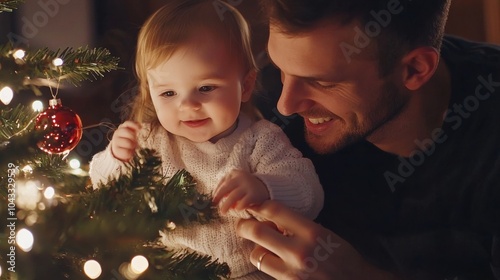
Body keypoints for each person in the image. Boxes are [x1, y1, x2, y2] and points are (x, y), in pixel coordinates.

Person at [238, 0, 500, 279]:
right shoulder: (262, 100)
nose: (285, 105)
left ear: (415, 69)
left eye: (323, 83)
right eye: (281, 68)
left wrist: (358, 275)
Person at [88, 0, 324, 279]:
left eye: (205, 88)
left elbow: (309, 193)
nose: (188, 105)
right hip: (164, 270)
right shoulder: (151, 140)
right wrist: (116, 157)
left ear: (245, 85)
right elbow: (103, 191)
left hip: (248, 270)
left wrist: (264, 187)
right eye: (168, 93)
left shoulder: (259, 140)